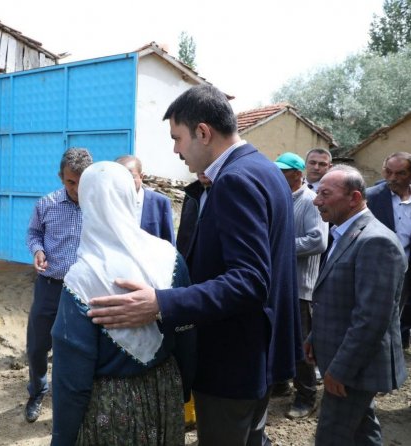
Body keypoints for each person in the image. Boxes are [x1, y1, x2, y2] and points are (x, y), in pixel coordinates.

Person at [87, 84, 302, 446]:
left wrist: (161, 303)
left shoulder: (235, 181)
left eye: (178, 138)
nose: (175, 149)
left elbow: (249, 281)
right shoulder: (263, 169)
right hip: (259, 354)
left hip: (232, 361)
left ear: (203, 132)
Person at [50, 161, 195, 445]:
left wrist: (62, 438)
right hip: (164, 390)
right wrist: (183, 388)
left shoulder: (84, 277)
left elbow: (72, 378)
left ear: (87, 202)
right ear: (130, 197)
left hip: (111, 407)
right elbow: (188, 333)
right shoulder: (167, 256)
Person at [307, 165, 407, 445]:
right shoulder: (344, 233)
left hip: (354, 368)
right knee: (363, 430)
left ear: (353, 198)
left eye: (325, 194)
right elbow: (339, 297)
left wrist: (340, 369)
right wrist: (316, 335)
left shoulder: (376, 242)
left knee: (332, 435)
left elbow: (371, 319)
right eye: (317, 193)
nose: (317, 201)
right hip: (345, 359)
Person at [24, 147, 93, 423]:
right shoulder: (47, 204)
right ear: (61, 178)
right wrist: (38, 250)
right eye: (71, 182)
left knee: (81, 346)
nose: (77, 189)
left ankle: (78, 396)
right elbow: (33, 233)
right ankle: (38, 390)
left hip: (85, 290)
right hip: (50, 286)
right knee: (37, 345)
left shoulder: (100, 204)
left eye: (82, 181)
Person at [274, 152, 328, 419]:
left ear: (297, 174)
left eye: (283, 171)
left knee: (301, 343)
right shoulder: (282, 198)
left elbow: (318, 241)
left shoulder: (309, 201)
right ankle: (281, 384)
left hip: (301, 286)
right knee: (280, 337)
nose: (278, 175)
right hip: (281, 284)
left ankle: (306, 396)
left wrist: (280, 247)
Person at [366, 152, 411, 349]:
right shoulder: (371, 197)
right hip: (375, 270)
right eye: (389, 172)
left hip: (406, 271)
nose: (393, 178)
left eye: (400, 173)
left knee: (396, 318)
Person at [115, 155, 175, 244]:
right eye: (119, 176)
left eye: (130, 176)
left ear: (141, 176)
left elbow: (169, 241)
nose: (125, 181)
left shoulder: (160, 203)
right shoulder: (111, 202)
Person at [176, 172, 211, 258]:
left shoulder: (225, 194)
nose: (204, 170)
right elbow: (183, 234)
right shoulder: (191, 194)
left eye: (208, 165)